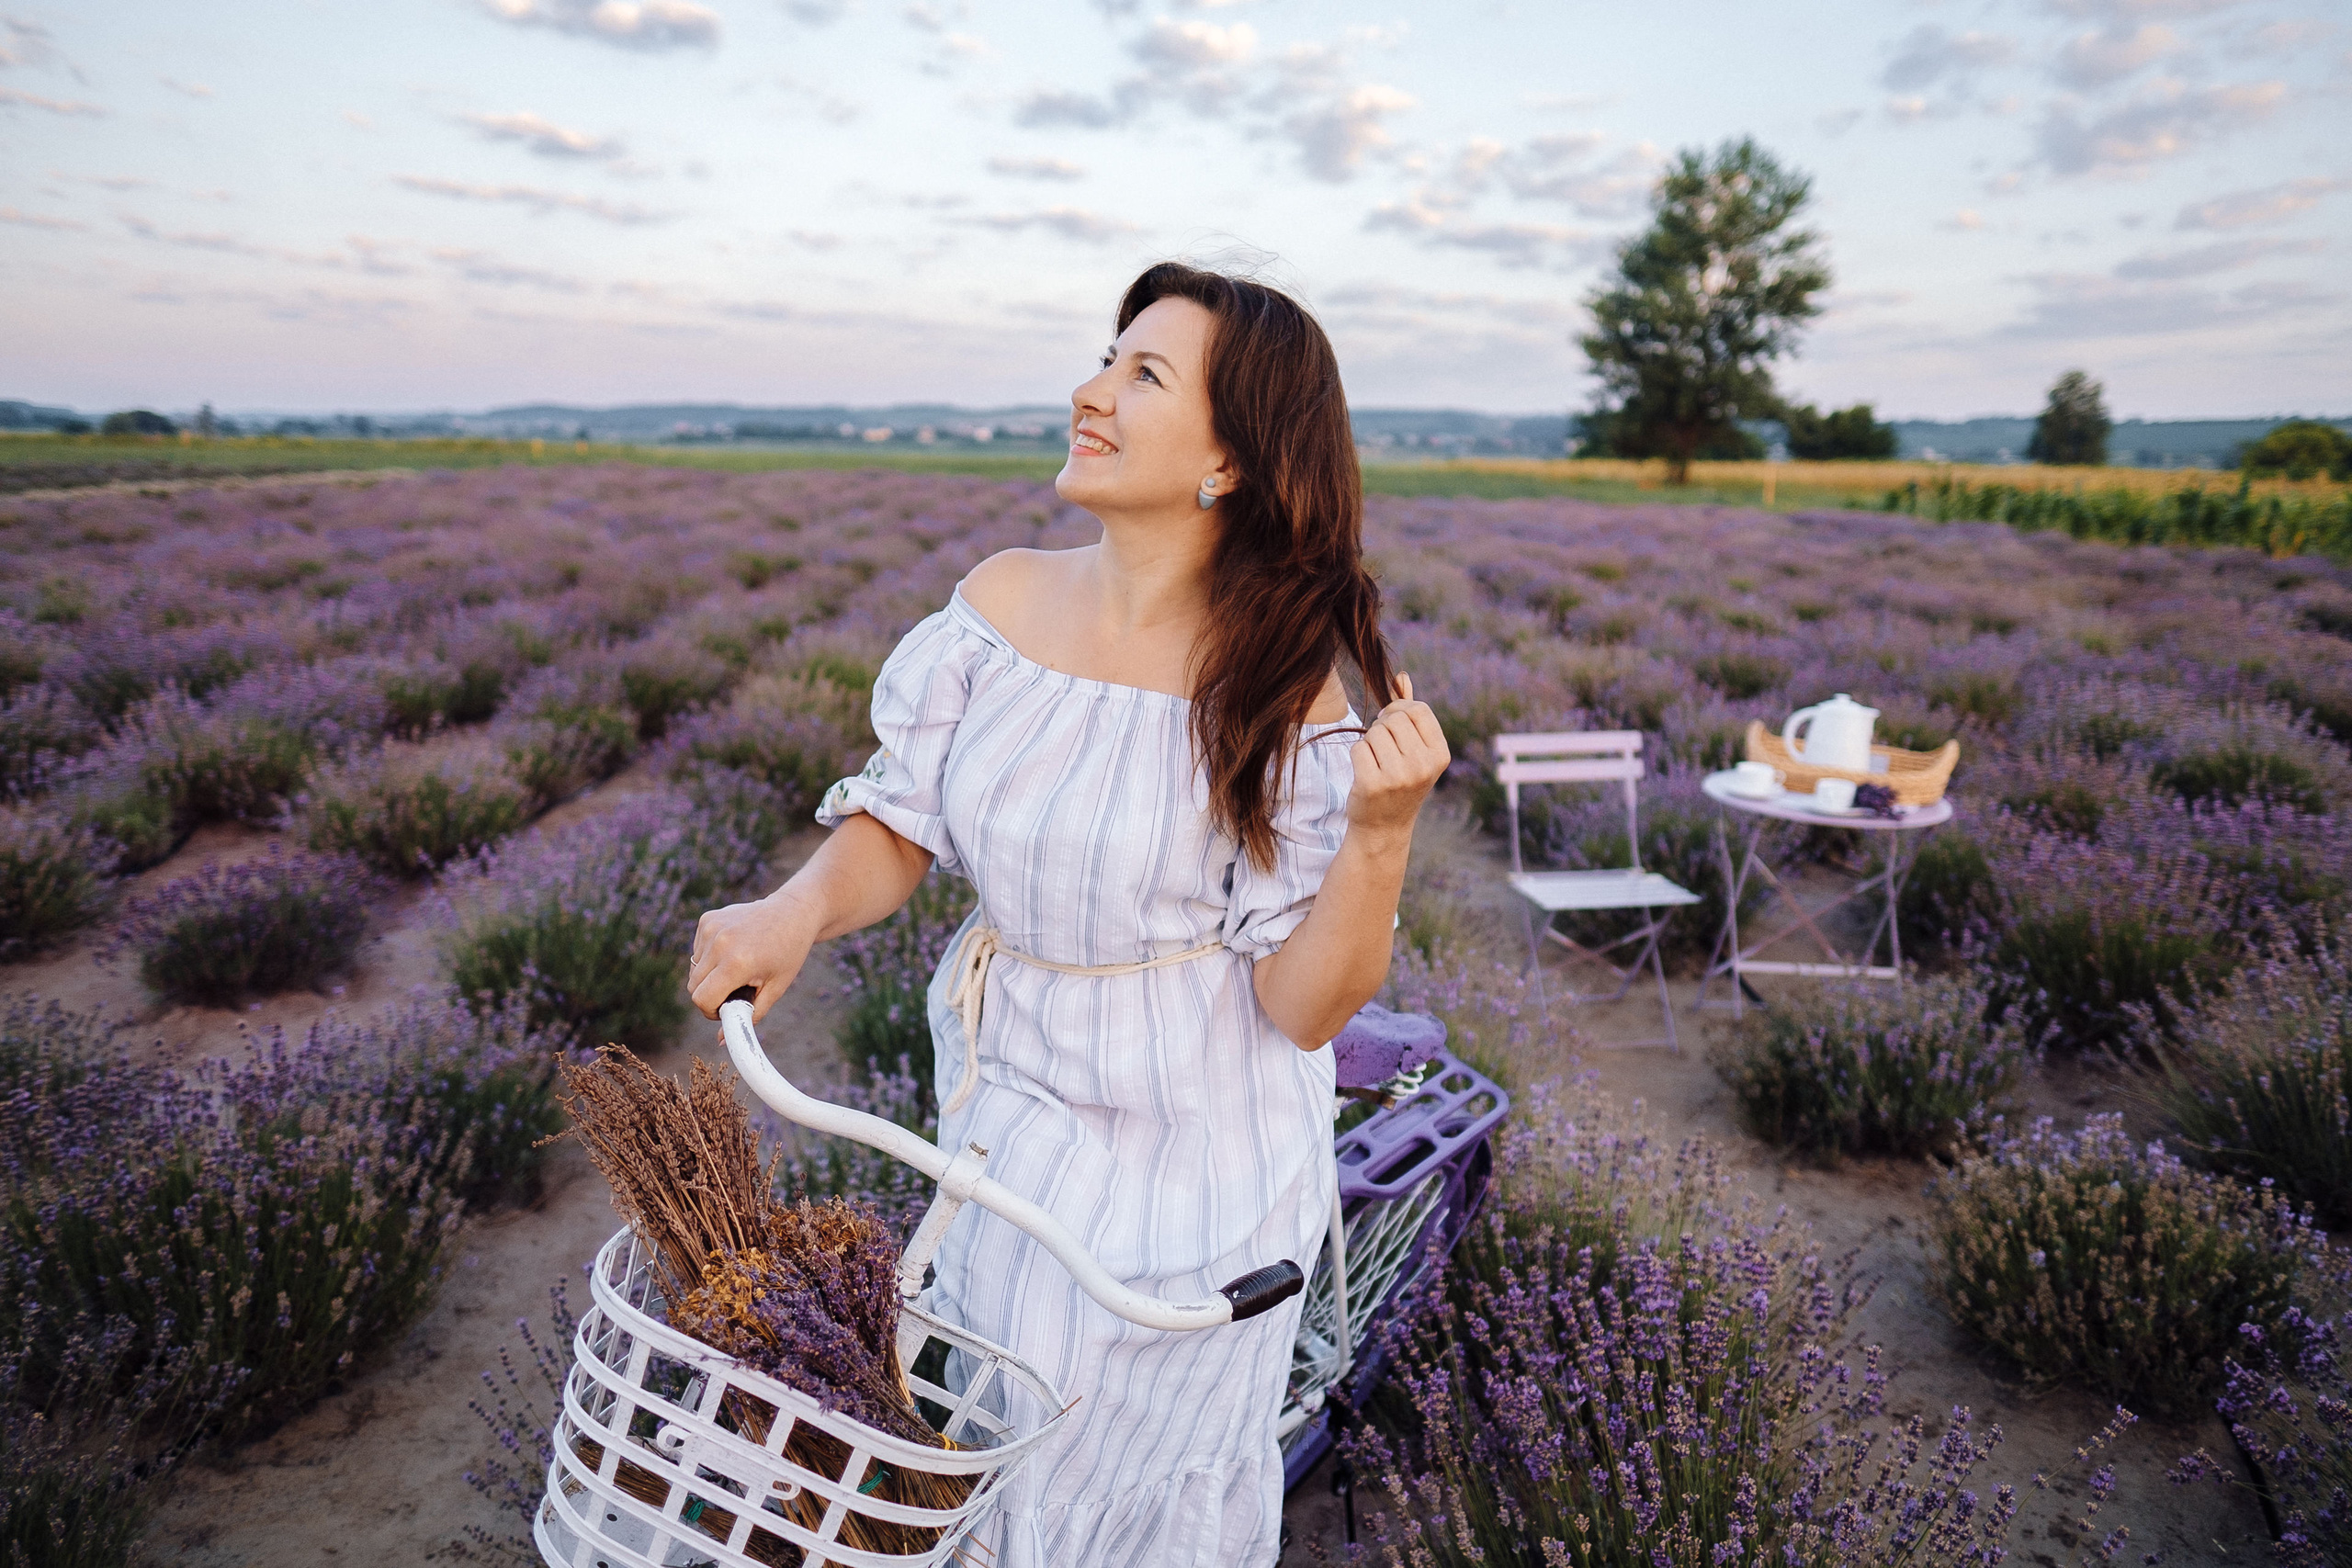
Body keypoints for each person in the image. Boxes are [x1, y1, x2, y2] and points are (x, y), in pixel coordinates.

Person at [686, 261, 1450, 1567]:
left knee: (1128, 1470)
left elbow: (1303, 1003)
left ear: (1230, 458)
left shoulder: (1288, 687)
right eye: (1108, 357)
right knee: (995, 1418)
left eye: (1143, 374)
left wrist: (1380, 836)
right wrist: (795, 911)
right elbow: (899, 822)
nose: (1090, 391)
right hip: (1018, 1087)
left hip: (1204, 1134)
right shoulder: (1001, 603)